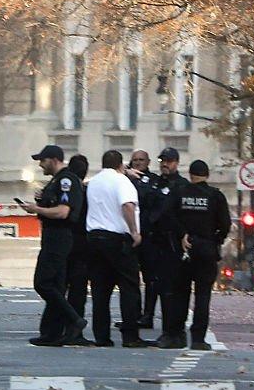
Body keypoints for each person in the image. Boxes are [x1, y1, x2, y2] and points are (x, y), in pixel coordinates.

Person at [21, 146, 88, 347]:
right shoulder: (56, 181)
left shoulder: (66, 180)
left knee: (43, 283)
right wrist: (41, 202)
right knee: (56, 285)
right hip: (53, 235)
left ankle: (74, 320)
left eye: (43, 160)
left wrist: (36, 209)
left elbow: (63, 212)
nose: (40, 164)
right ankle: (51, 332)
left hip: (59, 237)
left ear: (54, 159)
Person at [84, 149, 148, 347]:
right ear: (121, 165)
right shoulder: (122, 182)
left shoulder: (93, 182)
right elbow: (127, 206)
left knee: (100, 290)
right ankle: (130, 336)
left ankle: (101, 336)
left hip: (94, 239)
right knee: (129, 287)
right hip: (117, 239)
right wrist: (135, 232)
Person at [171, 159, 231, 349]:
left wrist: (181, 234)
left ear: (190, 175)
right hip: (207, 249)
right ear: (207, 175)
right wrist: (216, 240)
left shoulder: (179, 192)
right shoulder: (215, 196)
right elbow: (226, 225)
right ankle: (198, 339)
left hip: (185, 249)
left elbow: (167, 215)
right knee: (203, 296)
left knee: (180, 293)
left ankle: (176, 334)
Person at [141, 149, 186, 347]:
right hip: (155, 242)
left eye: (168, 161)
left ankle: (174, 331)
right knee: (158, 285)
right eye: (162, 161)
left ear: (176, 162)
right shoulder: (155, 183)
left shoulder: (182, 185)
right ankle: (167, 329)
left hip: (173, 243)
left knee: (173, 290)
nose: (164, 165)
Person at [64, 153, 92, 321]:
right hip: (83, 243)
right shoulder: (88, 192)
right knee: (78, 288)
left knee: (60, 286)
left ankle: (60, 325)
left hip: (66, 241)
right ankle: (75, 324)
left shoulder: (64, 188)